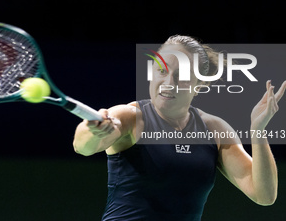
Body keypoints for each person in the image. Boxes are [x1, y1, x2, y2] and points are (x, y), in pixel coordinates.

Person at [73, 35, 286, 221]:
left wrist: (258, 130)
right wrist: (93, 130)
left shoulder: (213, 129)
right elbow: (83, 147)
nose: (169, 82)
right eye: (162, 71)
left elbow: (264, 195)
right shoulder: (130, 117)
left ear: (199, 84)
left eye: (181, 75)